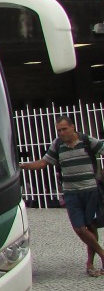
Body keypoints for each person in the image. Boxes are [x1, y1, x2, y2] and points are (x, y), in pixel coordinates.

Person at [20, 115, 104, 277]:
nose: (61, 133)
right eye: (58, 130)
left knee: (91, 227)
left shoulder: (87, 141)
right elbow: (43, 163)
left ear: (73, 127)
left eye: (64, 129)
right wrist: (22, 166)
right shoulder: (57, 145)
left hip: (90, 191)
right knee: (79, 228)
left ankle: (90, 263)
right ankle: (101, 253)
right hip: (71, 193)